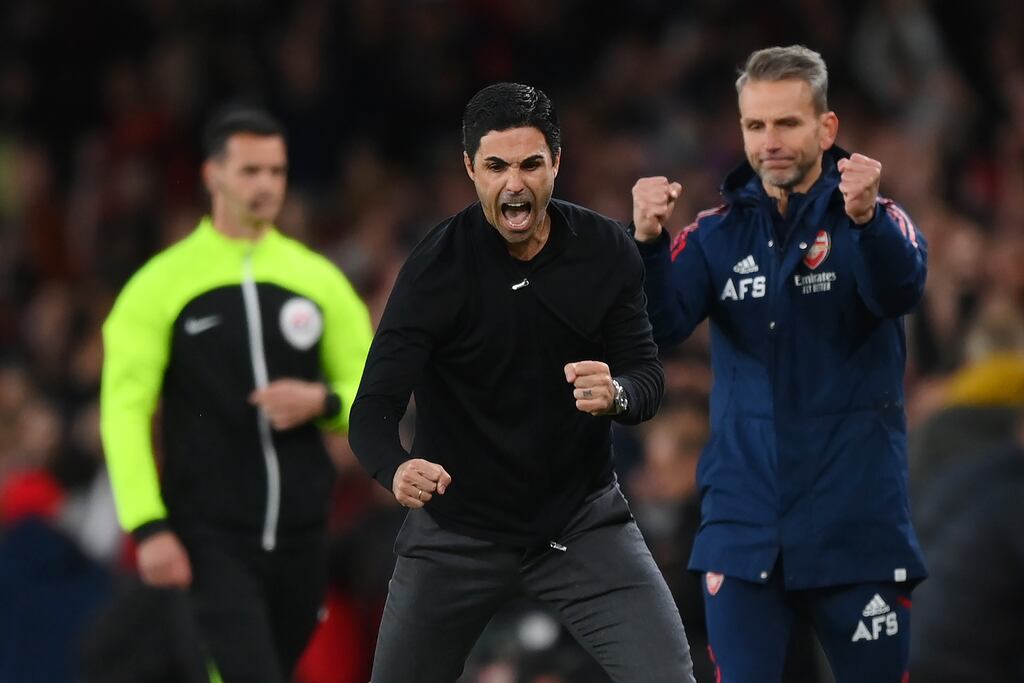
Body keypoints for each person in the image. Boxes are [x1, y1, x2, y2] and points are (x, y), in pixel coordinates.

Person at [349, 82, 696, 683]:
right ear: (470, 170)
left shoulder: (605, 250)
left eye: (531, 164)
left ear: (557, 165)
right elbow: (372, 410)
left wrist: (617, 394)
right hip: (456, 535)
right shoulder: (435, 270)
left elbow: (647, 377)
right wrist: (396, 468)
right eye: (496, 166)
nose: (515, 183)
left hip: (580, 526)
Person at [630, 45, 928, 682]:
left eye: (787, 123)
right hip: (745, 529)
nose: (769, 141)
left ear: (826, 128)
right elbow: (658, 328)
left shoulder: (873, 220)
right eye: (755, 125)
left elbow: (900, 290)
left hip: (855, 524)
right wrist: (649, 245)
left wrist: (868, 219)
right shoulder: (713, 235)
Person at [100, 105, 373, 683]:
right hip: (212, 535)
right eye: (250, 171)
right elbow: (124, 412)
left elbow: (375, 392)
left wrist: (322, 401)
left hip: (303, 531)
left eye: (276, 171)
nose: (266, 185)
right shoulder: (160, 286)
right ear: (212, 176)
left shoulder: (317, 280)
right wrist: (147, 526)